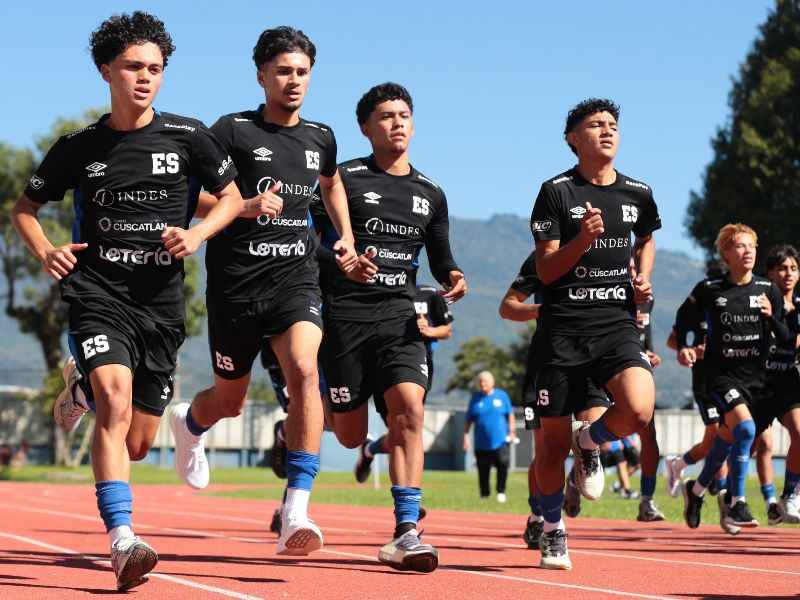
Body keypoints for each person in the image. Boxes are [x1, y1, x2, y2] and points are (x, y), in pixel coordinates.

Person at [11, 12, 243, 590]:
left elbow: (232, 198)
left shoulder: (189, 137)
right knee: (114, 404)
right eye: (133, 67)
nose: (145, 78)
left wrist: (197, 233)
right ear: (105, 70)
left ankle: (79, 385)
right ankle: (123, 540)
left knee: (138, 442)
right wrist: (46, 251)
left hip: (162, 303)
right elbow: (25, 208)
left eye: (155, 69)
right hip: (98, 291)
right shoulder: (80, 147)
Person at [168, 26, 356, 557]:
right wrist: (244, 206)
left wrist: (344, 234)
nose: (293, 81)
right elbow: (193, 193)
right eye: (283, 71)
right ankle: (190, 421)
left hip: (296, 279)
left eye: (302, 72)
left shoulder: (321, 137)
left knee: (304, 372)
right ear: (261, 75)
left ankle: (296, 509)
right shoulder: (231, 131)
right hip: (235, 287)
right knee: (229, 401)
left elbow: (332, 182)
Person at [319, 82, 466, 573]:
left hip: (400, 317)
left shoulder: (430, 192)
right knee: (348, 433)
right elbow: (316, 239)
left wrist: (453, 277)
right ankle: (302, 418)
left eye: (404, 115)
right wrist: (344, 259)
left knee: (409, 410)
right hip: (345, 318)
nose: (397, 123)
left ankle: (406, 530)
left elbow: (441, 257)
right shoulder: (342, 179)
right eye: (385, 116)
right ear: (366, 127)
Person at [529, 97, 661, 569]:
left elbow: (646, 237)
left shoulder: (638, 192)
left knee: (640, 408)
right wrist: (582, 241)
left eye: (612, 125)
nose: (607, 131)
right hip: (562, 330)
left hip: (615, 324)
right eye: (595, 125)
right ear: (573, 139)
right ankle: (551, 528)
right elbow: (545, 271)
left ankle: (590, 442)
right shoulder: (556, 192)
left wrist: (643, 276)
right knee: (548, 446)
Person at [677, 224, 793, 531]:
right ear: (726, 253)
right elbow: (683, 321)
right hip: (721, 377)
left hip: (758, 381)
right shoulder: (709, 289)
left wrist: (771, 318)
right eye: (740, 246)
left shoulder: (768, 290)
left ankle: (697, 490)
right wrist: (687, 347)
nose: (748, 252)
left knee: (725, 441)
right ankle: (736, 502)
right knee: (745, 429)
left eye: (752, 246)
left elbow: (786, 337)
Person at [498, 251, 610, 551]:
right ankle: (539, 516)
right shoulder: (545, 257)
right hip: (549, 363)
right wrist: (543, 310)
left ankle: (576, 476)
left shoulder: (612, 252)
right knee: (549, 449)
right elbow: (507, 307)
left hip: (593, 360)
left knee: (600, 433)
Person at [353, 283, 454, 483]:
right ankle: (404, 494)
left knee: (406, 429)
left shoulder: (428, 293)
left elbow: (447, 330)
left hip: (418, 365)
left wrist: (429, 331)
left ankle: (407, 497)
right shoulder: (377, 288)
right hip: (380, 361)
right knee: (399, 430)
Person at [762, 244, 800, 524]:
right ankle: (725, 494)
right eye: (783, 268)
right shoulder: (757, 300)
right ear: (771, 273)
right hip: (758, 384)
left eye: (794, 268)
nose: (788, 273)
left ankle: (789, 496)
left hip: (788, 383)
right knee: (753, 444)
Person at [632, 295, 666, 521]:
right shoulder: (603, 289)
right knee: (595, 438)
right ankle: (575, 482)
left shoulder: (646, 299)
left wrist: (650, 353)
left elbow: (646, 337)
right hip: (603, 371)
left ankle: (647, 500)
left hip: (637, 372)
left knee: (649, 436)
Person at [463, 372, 516, 502]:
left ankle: (501, 492)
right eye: (480, 381)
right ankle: (484, 495)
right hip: (481, 442)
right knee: (482, 470)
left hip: (501, 441)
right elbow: (468, 420)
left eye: (485, 381)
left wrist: (512, 431)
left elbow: (510, 415)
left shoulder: (502, 396)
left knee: (503, 465)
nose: (482, 384)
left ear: (492, 382)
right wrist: (465, 436)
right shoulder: (475, 398)